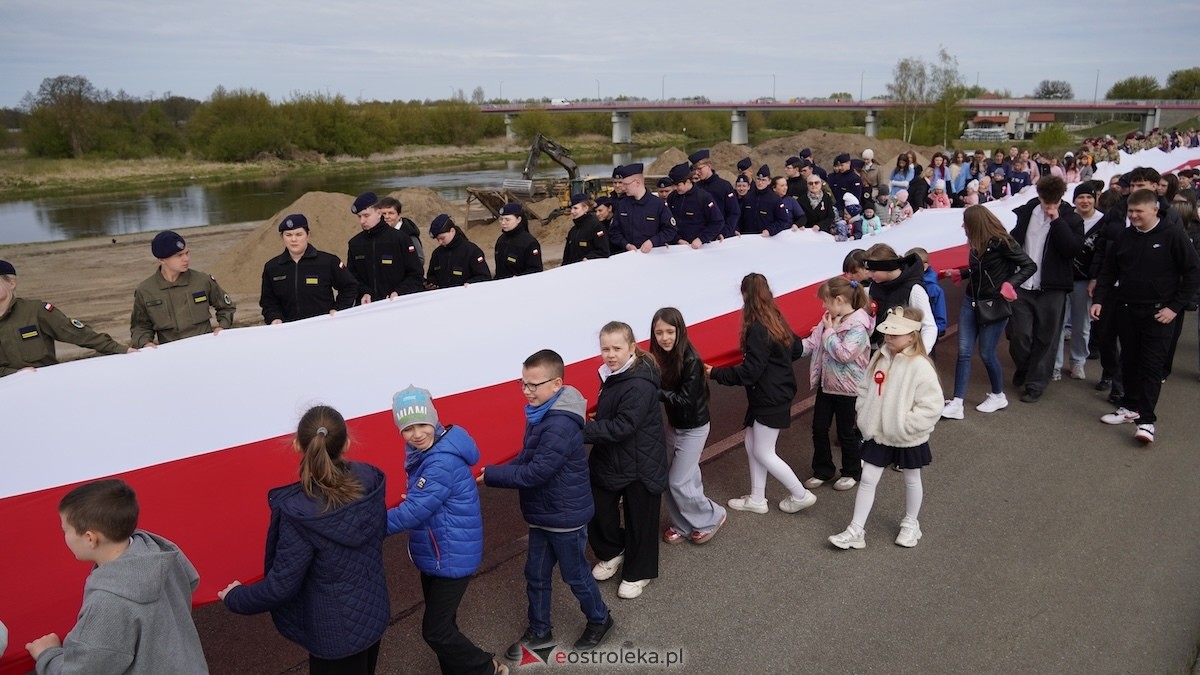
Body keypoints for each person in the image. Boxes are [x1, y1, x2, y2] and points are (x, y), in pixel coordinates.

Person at [220, 406, 389, 674]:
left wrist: (236, 597)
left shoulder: (301, 512)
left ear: (298, 445)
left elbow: (280, 586)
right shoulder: (371, 480)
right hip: (372, 614)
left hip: (333, 635)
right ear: (346, 443)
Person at [480, 350, 614, 658]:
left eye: (533, 385)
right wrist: (495, 471)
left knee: (575, 574)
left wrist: (493, 476)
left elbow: (536, 471)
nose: (526, 391)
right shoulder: (542, 412)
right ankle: (540, 630)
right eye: (523, 383)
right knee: (536, 573)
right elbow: (529, 458)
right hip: (545, 512)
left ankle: (600, 619)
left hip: (564, 516)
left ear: (556, 384)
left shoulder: (559, 424)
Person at [25, 479, 208, 674]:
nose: (65, 537)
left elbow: (83, 671)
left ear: (90, 538)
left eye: (65, 530)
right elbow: (190, 582)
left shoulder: (109, 602)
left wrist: (48, 654)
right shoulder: (160, 552)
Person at [384, 386, 502, 674]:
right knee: (445, 625)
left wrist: (367, 525)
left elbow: (415, 511)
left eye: (422, 424)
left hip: (450, 554)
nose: (417, 434)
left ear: (434, 421)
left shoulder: (440, 461)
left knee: (435, 630)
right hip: (440, 548)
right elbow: (426, 499)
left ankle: (485, 667)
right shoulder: (428, 450)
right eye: (408, 428)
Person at [827, 307, 942, 550]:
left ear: (912, 336)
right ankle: (856, 529)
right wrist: (865, 413)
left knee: (912, 478)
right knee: (868, 479)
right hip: (878, 433)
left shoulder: (921, 366)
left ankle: (911, 523)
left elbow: (932, 406)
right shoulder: (879, 357)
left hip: (906, 436)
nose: (889, 337)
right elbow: (864, 387)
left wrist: (906, 426)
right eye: (887, 333)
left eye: (895, 334)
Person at [1092, 189, 1200, 443]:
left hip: (1160, 314)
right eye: (1131, 211)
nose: (1134, 216)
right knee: (1129, 361)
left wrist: (1175, 307)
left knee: (1151, 367)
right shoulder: (1124, 237)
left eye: (1139, 211)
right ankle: (1130, 407)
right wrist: (1099, 301)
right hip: (1127, 309)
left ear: (1154, 210)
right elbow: (1109, 271)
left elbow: (1193, 272)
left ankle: (1147, 421)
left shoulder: (1173, 235)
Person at [706, 273, 817, 516]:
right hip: (775, 393)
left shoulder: (757, 328)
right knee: (752, 444)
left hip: (767, 396)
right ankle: (757, 497)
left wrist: (715, 373)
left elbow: (749, 372)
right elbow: (797, 349)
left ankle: (800, 494)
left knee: (763, 451)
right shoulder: (776, 319)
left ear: (745, 296)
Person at [585, 321, 669, 600]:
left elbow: (623, 426)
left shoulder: (638, 382)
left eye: (616, 348)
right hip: (613, 457)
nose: (610, 354)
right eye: (605, 348)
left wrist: (580, 429)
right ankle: (613, 551)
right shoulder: (613, 374)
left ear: (631, 347)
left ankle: (639, 572)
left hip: (642, 461)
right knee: (597, 510)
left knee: (641, 520)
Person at [940, 206, 1037, 419]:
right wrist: (961, 272)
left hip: (994, 304)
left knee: (986, 353)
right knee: (964, 352)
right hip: (970, 300)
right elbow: (980, 270)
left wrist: (1010, 285)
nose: (963, 226)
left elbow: (1029, 265)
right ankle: (957, 402)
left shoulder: (1003, 242)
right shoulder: (977, 243)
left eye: (965, 222)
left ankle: (998, 394)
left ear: (976, 223)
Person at [649, 308, 727, 545]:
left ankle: (712, 516)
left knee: (678, 481)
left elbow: (684, 399)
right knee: (670, 477)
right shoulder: (661, 356)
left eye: (670, 332)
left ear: (679, 330)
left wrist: (655, 392)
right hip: (675, 426)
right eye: (659, 332)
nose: (664, 337)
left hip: (694, 428)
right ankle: (682, 524)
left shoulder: (691, 360)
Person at [1008, 176, 1085, 403]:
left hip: (1053, 287)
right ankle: (1026, 367)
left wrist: (1057, 221)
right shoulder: (1027, 211)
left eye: (1054, 202)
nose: (1049, 206)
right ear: (1038, 196)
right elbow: (1014, 240)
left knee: (1047, 338)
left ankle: (1035, 384)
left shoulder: (1071, 219)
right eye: (1045, 201)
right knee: (1018, 334)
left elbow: (1072, 249)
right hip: (1023, 284)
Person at [799, 277, 872, 492]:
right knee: (819, 428)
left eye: (826, 301)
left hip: (849, 389)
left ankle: (851, 471)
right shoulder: (829, 319)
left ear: (839, 300)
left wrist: (830, 332)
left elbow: (844, 354)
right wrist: (787, 348)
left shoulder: (858, 326)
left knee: (845, 431)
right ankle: (823, 469)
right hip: (826, 384)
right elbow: (811, 343)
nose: (823, 306)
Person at [0, 259, 135, 376]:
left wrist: (121, 349)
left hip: (43, 384)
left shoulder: (35, 311)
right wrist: (15, 375)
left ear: (11, 283)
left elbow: (77, 333)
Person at [131, 230, 235, 348]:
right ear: (162, 260)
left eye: (187, 253)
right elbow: (140, 326)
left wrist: (222, 327)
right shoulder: (146, 290)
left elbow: (226, 307)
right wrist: (145, 343)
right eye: (179, 255)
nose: (186, 259)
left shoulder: (202, 281)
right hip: (171, 353)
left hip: (205, 349)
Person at [260, 214, 358, 324]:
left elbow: (350, 286)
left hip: (323, 327)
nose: (293, 239)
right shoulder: (272, 267)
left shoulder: (328, 262)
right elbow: (268, 301)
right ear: (282, 237)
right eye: (288, 235)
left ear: (308, 235)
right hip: (288, 330)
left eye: (299, 234)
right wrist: (274, 318)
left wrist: (338, 309)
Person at [1057, 182, 1105, 381]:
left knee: (1082, 325)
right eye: (1080, 197)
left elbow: (1103, 253)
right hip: (1061, 279)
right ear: (1074, 200)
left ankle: (1078, 362)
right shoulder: (1066, 219)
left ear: (1095, 199)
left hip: (1085, 281)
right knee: (1057, 324)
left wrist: (1095, 277)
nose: (1085, 201)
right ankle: (1055, 364)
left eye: (1089, 197)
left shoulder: (1103, 221)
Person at [347, 192, 424, 303]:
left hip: (397, 305)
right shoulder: (355, 243)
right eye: (359, 216)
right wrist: (364, 292)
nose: (362, 221)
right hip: (367, 307)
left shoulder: (400, 239)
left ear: (379, 213)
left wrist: (399, 292)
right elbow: (352, 277)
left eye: (366, 215)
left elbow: (416, 275)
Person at [862, 244, 937, 353]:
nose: (869, 274)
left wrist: (920, 354)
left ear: (888, 268)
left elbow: (929, 326)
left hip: (908, 353)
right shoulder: (875, 286)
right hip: (882, 351)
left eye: (873, 271)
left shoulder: (914, 289)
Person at [610, 163, 677, 253]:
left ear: (637, 182)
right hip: (629, 255)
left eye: (626, 184)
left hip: (652, 255)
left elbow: (670, 230)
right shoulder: (622, 205)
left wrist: (652, 242)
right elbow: (614, 232)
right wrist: (626, 244)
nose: (623, 187)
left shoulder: (657, 204)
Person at [425, 214, 492, 289]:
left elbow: (484, 276)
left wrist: (470, 283)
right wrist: (432, 283)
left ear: (452, 231)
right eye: (438, 239)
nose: (440, 242)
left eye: (442, 238)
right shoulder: (437, 254)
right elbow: (431, 276)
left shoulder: (471, 251)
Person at [666, 162, 723, 248]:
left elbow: (717, 222)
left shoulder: (704, 197)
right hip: (677, 246)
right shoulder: (672, 197)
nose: (675, 188)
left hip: (699, 247)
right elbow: (668, 222)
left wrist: (701, 239)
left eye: (678, 185)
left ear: (688, 181)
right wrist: (677, 239)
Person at [689, 149, 740, 239]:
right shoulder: (696, 188)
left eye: (700, 169)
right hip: (700, 237)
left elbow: (734, 213)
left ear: (709, 166)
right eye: (695, 169)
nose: (697, 172)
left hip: (721, 237)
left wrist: (725, 232)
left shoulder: (724, 186)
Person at [907, 247, 948, 354]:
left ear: (924, 266)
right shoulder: (906, 285)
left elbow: (941, 321)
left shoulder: (935, 290)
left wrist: (929, 333)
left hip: (926, 337)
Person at [493, 203, 543, 279]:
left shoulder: (529, 243)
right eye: (501, 219)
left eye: (507, 219)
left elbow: (535, 270)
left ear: (518, 220)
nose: (503, 223)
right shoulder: (501, 240)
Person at [376, 196, 426, 272]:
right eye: (384, 214)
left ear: (399, 215)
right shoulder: (378, 234)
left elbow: (420, 259)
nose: (387, 217)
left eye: (391, 213)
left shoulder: (409, 235)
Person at [740, 165, 792, 237]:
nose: (760, 183)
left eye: (763, 180)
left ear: (769, 181)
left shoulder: (775, 199)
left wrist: (770, 230)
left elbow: (782, 220)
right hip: (748, 238)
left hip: (767, 239)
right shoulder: (748, 197)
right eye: (758, 179)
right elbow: (740, 217)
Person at [562, 194, 611, 264]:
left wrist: (588, 258)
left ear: (585, 208)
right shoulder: (573, 231)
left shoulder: (596, 227)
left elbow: (604, 251)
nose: (572, 211)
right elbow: (567, 256)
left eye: (575, 208)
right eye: (572, 208)